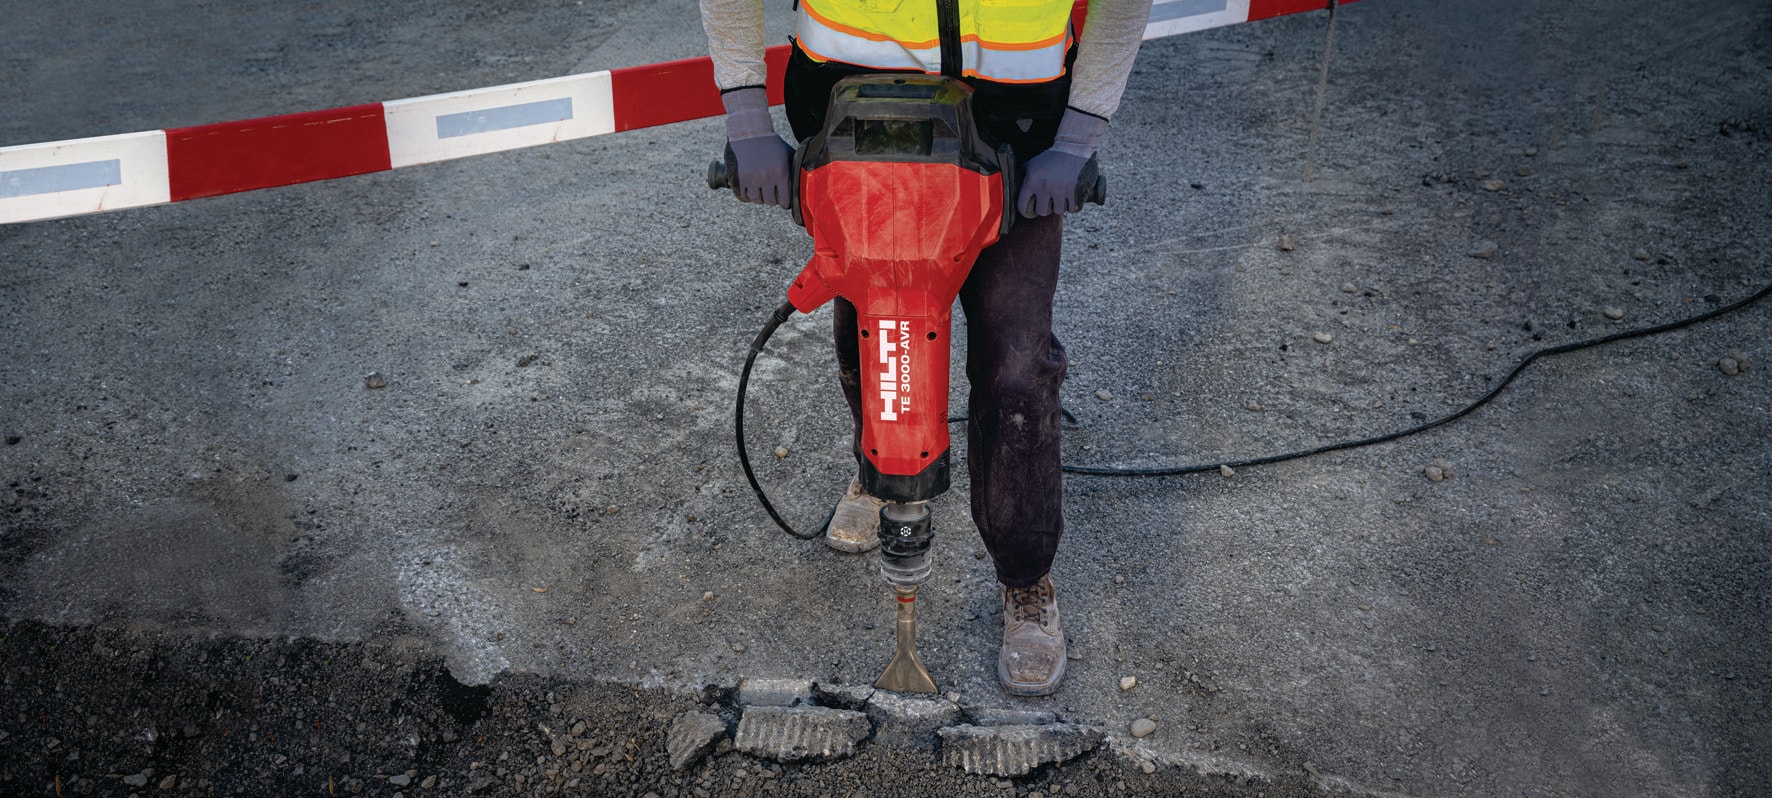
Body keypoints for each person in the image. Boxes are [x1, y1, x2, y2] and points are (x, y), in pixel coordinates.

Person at [700, 0, 1152, 696]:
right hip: (855, 119)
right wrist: (747, 121)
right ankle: (877, 468)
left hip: (1018, 134)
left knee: (1018, 370)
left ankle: (1025, 577)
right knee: (876, 325)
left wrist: (1077, 141)